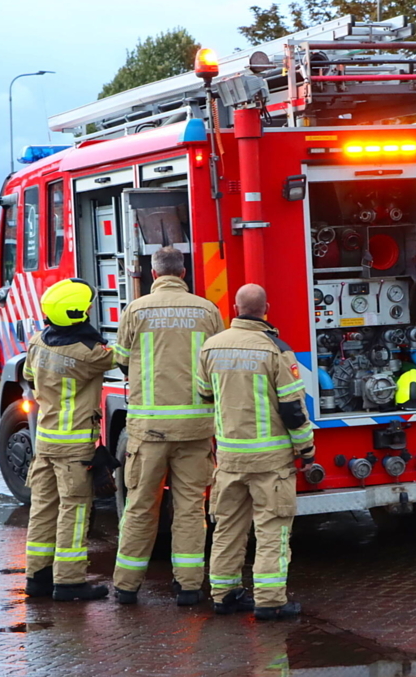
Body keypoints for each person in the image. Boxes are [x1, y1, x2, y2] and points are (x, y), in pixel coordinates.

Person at [111, 246, 225, 606]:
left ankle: (127, 586)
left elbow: (122, 362)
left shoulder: (135, 310)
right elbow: (217, 364)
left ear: (153, 274)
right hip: (195, 429)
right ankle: (189, 587)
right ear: (184, 273)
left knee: (141, 505)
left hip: (149, 431)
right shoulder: (207, 310)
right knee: (191, 507)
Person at [198, 283, 315, 620]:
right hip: (270, 462)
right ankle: (269, 601)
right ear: (267, 309)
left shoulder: (211, 347)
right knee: (272, 529)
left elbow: (205, 394)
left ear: (234, 308)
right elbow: (293, 410)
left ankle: (224, 595)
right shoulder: (275, 351)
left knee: (227, 528)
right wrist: (306, 450)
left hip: (230, 458)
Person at [22, 278, 115, 601]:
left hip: (45, 443)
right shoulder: (88, 353)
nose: (90, 309)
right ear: (77, 313)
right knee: (74, 512)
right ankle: (70, 581)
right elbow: (122, 357)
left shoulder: (37, 343)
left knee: (43, 509)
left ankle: (37, 578)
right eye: (87, 306)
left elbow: (30, 378)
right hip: (74, 447)